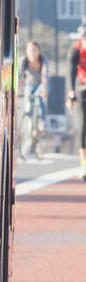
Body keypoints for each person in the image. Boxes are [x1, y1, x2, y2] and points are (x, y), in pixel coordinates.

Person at [19, 40, 49, 155]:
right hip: (29, 84)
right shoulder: (24, 61)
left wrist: (44, 89)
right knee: (28, 101)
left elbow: (45, 76)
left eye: (34, 50)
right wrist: (19, 87)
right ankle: (29, 125)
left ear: (39, 51)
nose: (32, 52)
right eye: (30, 50)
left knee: (38, 97)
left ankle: (42, 122)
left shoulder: (43, 60)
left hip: (41, 84)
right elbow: (20, 76)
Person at [66, 24, 86, 180]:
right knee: (82, 126)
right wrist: (71, 92)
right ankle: (84, 163)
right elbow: (70, 71)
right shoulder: (76, 49)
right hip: (81, 86)